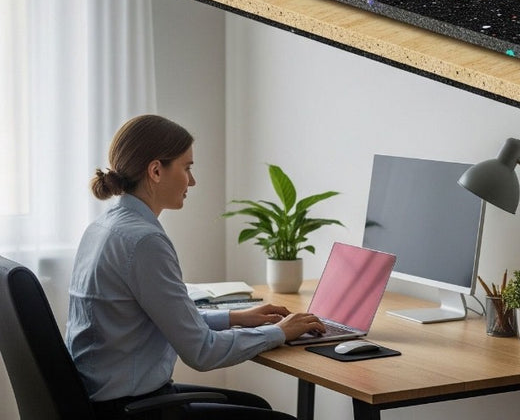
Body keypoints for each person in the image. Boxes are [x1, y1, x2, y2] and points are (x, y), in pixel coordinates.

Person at [67, 114, 326, 417]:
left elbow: (165, 316)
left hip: (105, 399)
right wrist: (280, 332)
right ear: (155, 171)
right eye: (186, 168)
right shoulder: (144, 241)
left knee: (257, 407)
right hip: (131, 409)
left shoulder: (104, 227)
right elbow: (202, 352)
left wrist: (235, 317)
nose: (192, 180)